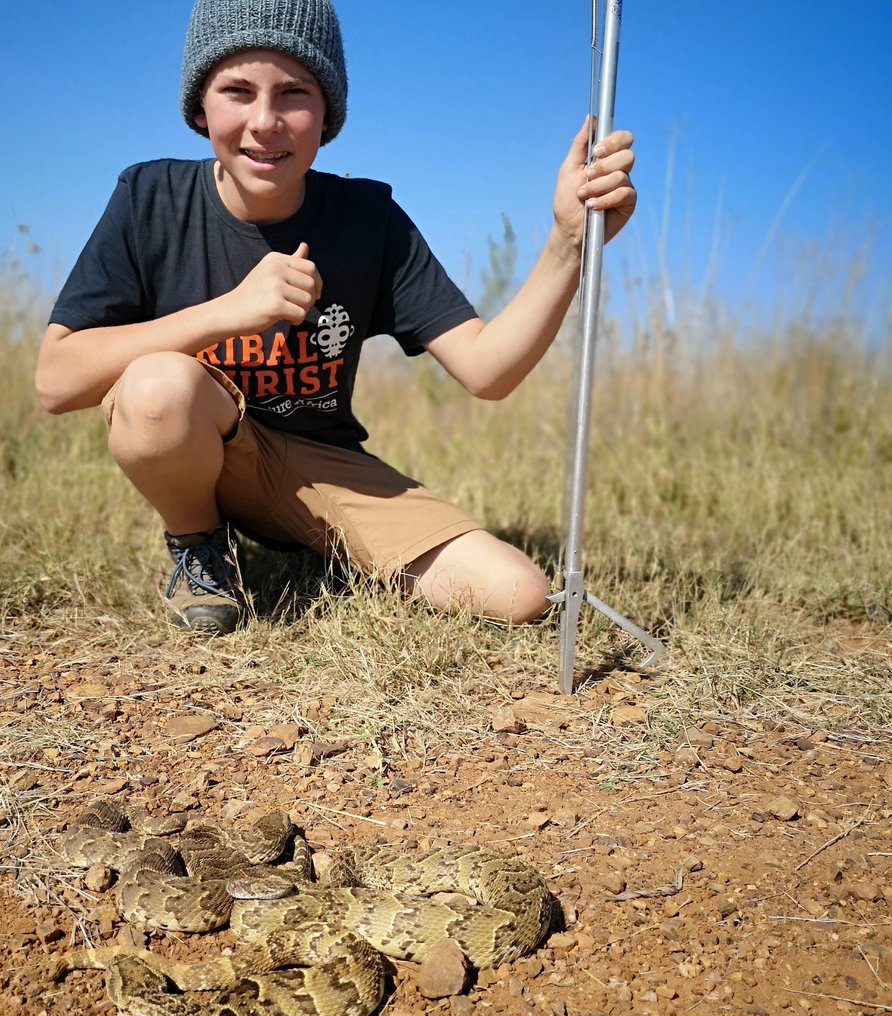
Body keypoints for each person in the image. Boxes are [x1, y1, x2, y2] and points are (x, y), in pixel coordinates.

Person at [35, 0, 636, 636]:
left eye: (294, 93)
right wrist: (228, 313)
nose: (265, 122)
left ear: (327, 117)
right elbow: (56, 381)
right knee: (157, 387)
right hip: (197, 438)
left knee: (519, 593)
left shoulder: (367, 220)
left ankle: (339, 554)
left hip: (320, 464)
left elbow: (488, 369)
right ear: (198, 108)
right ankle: (199, 548)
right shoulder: (148, 197)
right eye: (236, 91)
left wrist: (567, 244)